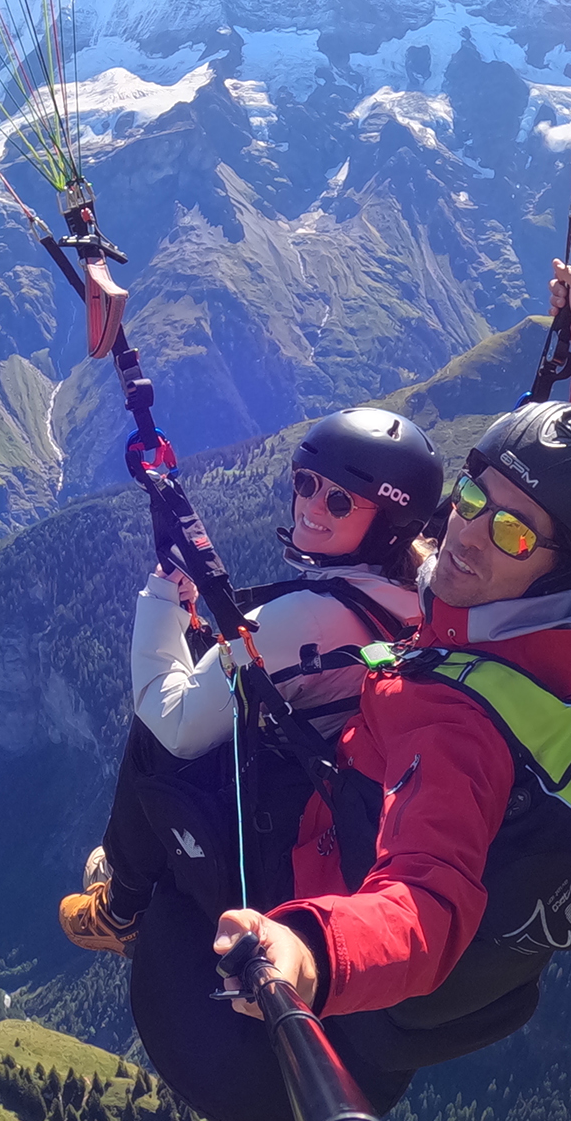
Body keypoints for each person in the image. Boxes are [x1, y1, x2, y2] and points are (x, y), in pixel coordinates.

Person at [134, 259, 571, 1121]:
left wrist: (310, 951)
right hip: (385, 904)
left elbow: (428, 903)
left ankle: (121, 893)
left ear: (555, 562)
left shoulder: (457, 722)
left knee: (174, 760)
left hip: (321, 913)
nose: (465, 539)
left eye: (512, 532)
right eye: (472, 498)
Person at [57, 405, 445, 953]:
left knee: (154, 732)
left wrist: (164, 596)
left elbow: (174, 721)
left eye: (339, 500)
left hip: (286, 817)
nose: (310, 506)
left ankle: (121, 904)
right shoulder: (429, 590)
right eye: (305, 482)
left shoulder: (305, 618)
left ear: (389, 523)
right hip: (350, 788)